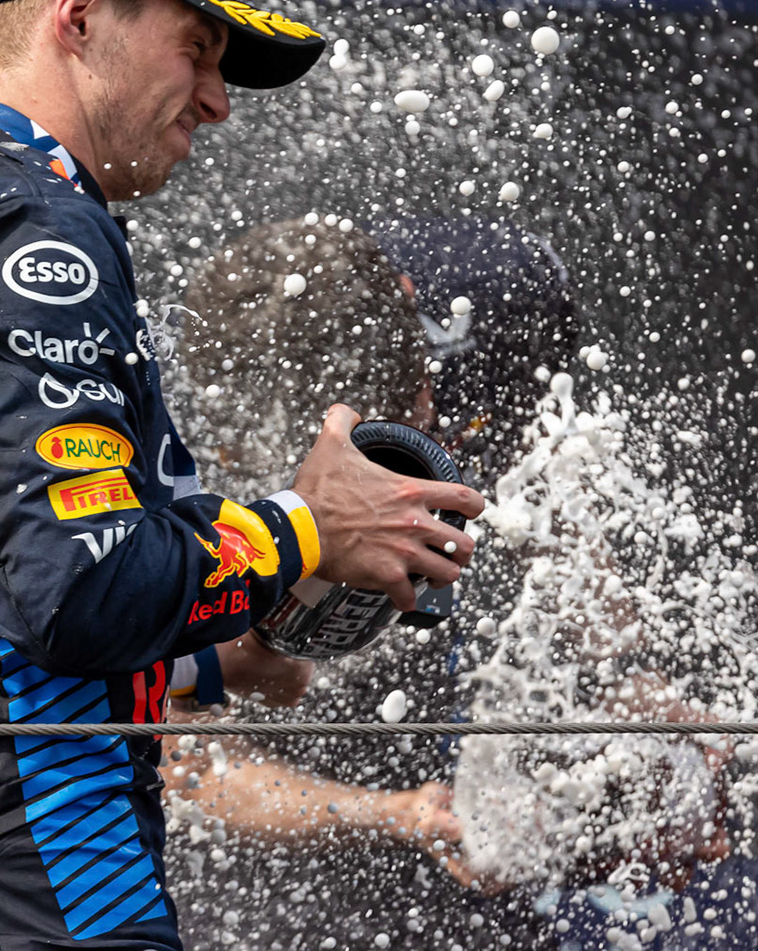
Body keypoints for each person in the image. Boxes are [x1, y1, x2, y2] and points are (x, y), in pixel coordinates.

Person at [0, 0, 482, 951]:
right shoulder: (32, 225)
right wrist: (308, 525)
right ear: (78, 14)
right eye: (197, 50)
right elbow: (79, 588)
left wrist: (207, 653)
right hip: (41, 886)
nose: (215, 97)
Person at [168, 215, 725, 951]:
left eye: (419, 406)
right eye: (379, 455)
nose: (427, 418)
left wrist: (627, 675)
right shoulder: (192, 450)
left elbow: (546, 487)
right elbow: (184, 757)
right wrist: (394, 813)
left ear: (411, 302)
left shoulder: (495, 293)